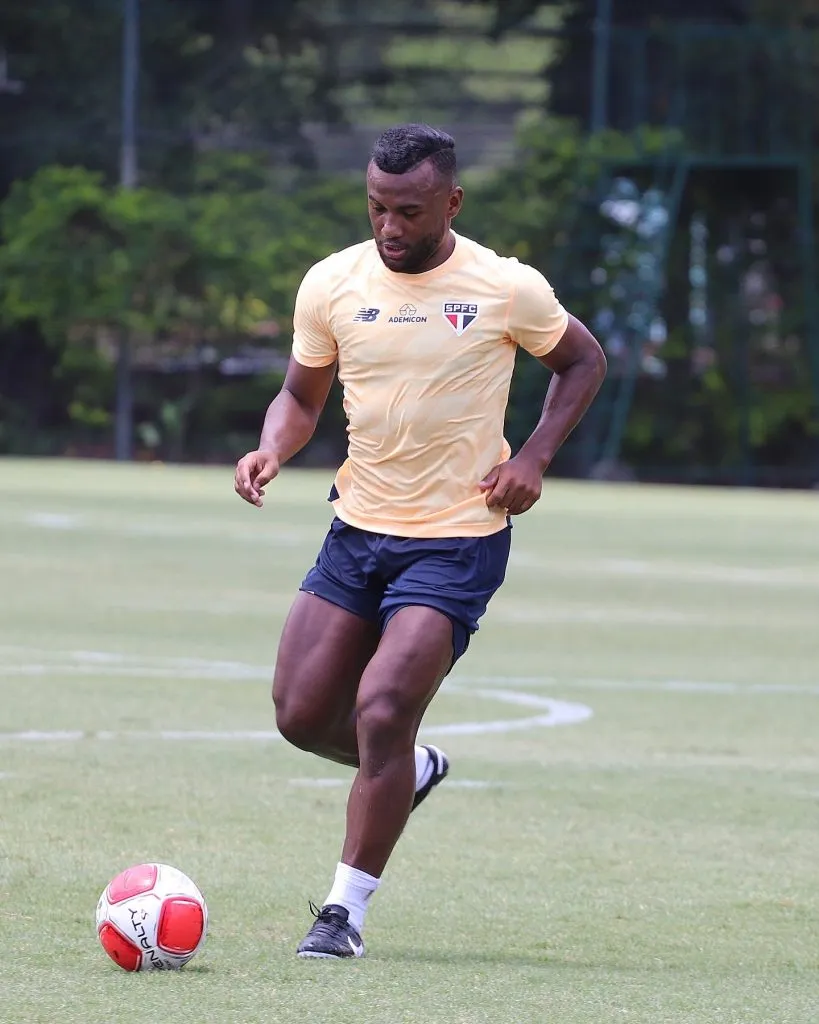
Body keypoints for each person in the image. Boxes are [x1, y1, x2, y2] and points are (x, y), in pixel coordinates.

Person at [234, 123, 607, 960]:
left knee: (381, 708)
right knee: (300, 716)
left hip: (456, 537)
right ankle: (412, 768)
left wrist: (536, 457)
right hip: (356, 529)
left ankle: (342, 913)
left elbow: (582, 362)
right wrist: (272, 447)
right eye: (376, 207)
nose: (389, 226)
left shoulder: (506, 287)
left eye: (408, 210)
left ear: (451, 201)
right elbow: (300, 395)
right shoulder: (332, 282)